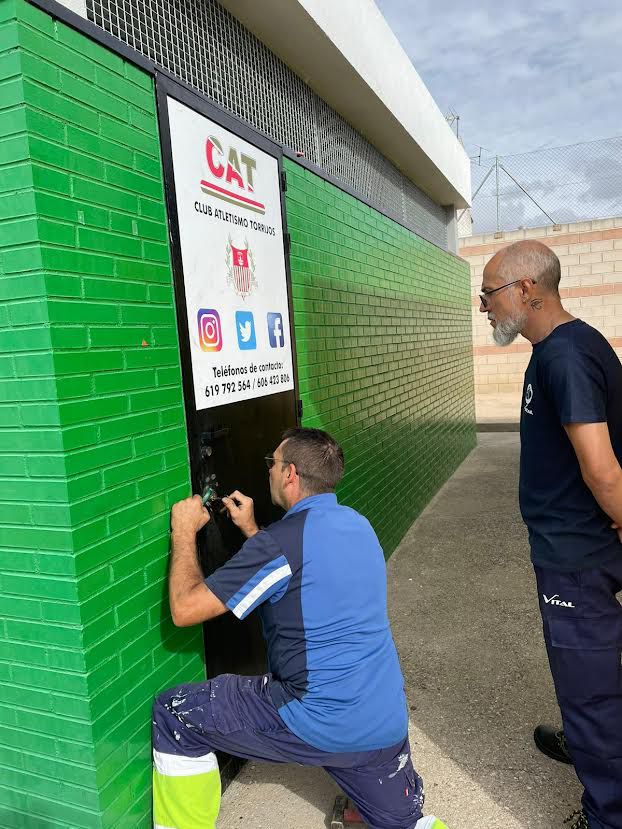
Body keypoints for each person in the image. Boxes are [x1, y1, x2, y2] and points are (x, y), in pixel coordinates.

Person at [152, 427, 447, 829]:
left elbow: (185, 609)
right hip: (383, 720)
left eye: (271, 463)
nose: (269, 472)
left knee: (175, 714)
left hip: (321, 719)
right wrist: (252, 532)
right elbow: (299, 578)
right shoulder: (358, 524)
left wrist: (183, 532)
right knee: (405, 824)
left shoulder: (279, 545)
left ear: (289, 473)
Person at [480, 240, 622, 829]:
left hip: (578, 556)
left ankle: (607, 812)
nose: (482, 305)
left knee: (587, 686)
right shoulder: (562, 348)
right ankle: (592, 742)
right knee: (591, 682)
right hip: (576, 546)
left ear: (528, 289)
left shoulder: (565, 356)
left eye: (489, 292)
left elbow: (600, 466)